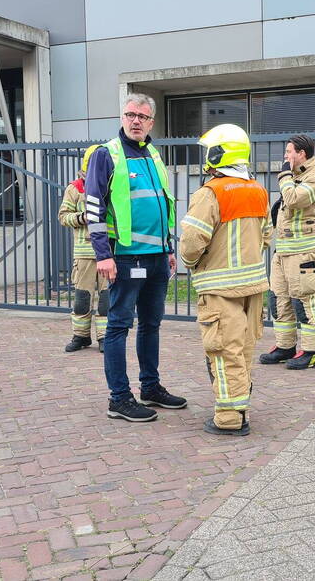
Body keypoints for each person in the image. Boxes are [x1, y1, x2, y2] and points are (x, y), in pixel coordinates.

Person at [84, 93, 187, 422]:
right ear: (122, 117)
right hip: (125, 258)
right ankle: (119, 397)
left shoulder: (155, 155)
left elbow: (163, 204)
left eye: (142, 116)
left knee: (151, 325)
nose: (135, 121)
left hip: (157, 257)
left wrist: (168, 248)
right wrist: (103, 254)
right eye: (130, 115)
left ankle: (150, 387)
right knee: (118, 327)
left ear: (151, 122)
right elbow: (93, 207)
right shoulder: (107, 155)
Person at [180, 124, 271, 436]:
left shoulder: (210, 193)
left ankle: (229, 420)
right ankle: (241, 410)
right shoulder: (259, 190)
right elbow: (267, 236)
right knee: (244, 351)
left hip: (219, 288)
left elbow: (191, 243)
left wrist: (192, 263)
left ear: (217, 154)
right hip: (254, 286)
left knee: (223, 352)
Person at [259, 135, 315, 370]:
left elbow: (292, 200)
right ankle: (285, 347)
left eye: (289, 151)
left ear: (302, 154)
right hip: (284, 251)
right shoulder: (296, 177)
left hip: (305, 253)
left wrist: (284, 174)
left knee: (305, 302)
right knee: (279, 300)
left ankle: (311, 353)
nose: (285, 156)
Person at [58, 144, 108, 353]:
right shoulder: (74, 188)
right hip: (85, 254)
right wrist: (82, 218)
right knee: (82, 299)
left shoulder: (111, 185)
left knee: (107, 300)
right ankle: (81, 336)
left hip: (108, 253)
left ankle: (105, 338)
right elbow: (63, 216)